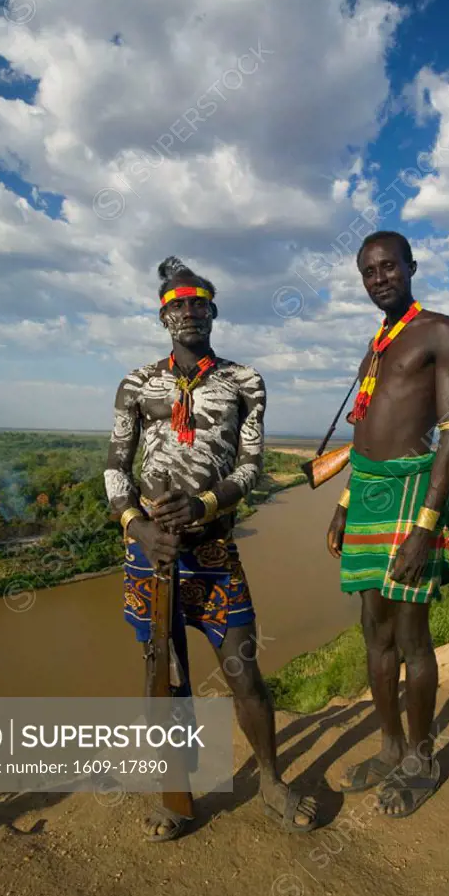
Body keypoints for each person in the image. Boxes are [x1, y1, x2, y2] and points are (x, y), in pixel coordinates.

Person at [104, 255, 317, 840]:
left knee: (243, 672)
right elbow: (115, 467)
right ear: (162, 317)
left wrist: (202, 506)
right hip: (151, 554)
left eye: (198, 302)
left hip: (214, 551)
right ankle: (178, 796)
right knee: (166, 678)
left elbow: (251, 467)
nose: (188, 312)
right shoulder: (135, 384)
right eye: (176, 305)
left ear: (213, 311)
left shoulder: (245, 382)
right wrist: (134, 524)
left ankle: (270, 782)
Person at [326, 230, 449, 818]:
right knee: (374, 630)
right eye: (368, 271)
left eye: (388, 266)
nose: (378, 277)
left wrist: (426, 526)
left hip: (415, 495)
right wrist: (343, 501)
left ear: (411, 267)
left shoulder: (440, 330)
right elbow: (365, 435)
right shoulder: (377, 343)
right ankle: (389, 747)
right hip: (369, 494)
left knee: (412, 636)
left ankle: (422, 758)